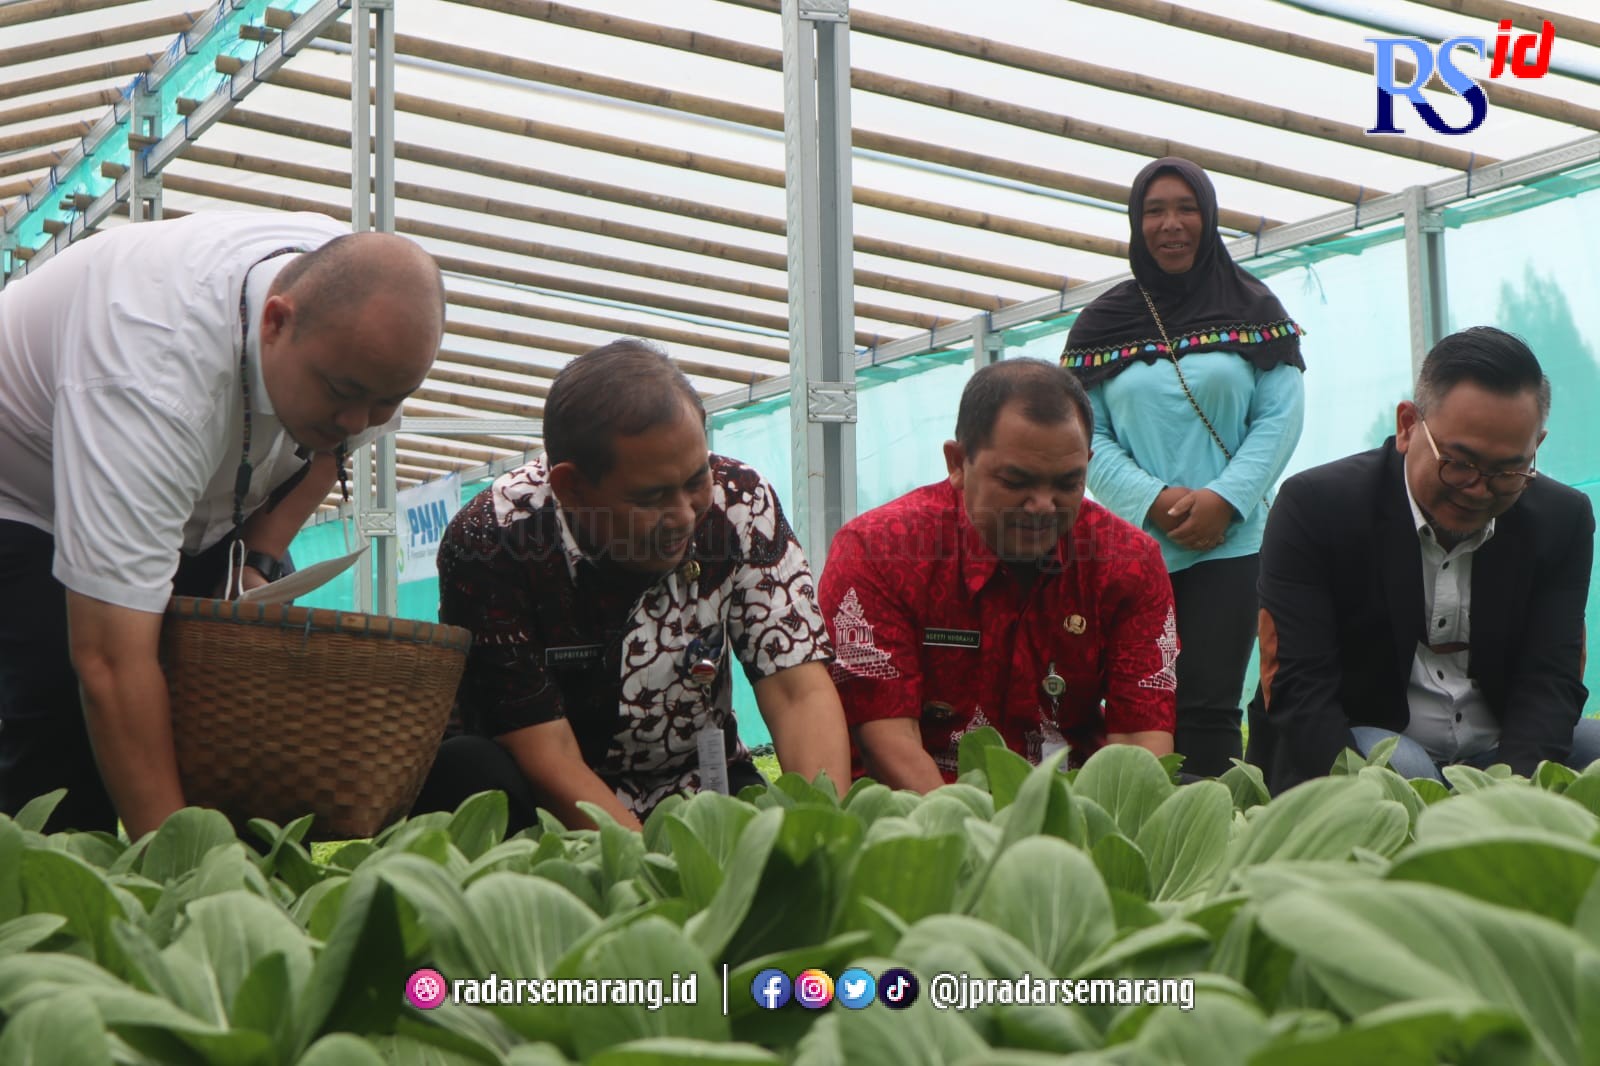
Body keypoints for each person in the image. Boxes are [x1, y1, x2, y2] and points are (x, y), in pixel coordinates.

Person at [0, 211, 445, 837]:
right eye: (342, 393)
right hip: (26, 494)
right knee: (61, 717)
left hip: (205, 497)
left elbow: (330, 450)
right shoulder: (151, 372)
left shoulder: (361, 342)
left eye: (387, 403)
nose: (359, 420)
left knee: (239, 689)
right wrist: (185, 863)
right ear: (276, 322)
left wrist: (258, 559)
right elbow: (107, 659)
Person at [415, 339, 850, 831]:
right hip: (546, 798)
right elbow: (544, 748)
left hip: (702, 781)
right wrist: (653, 864)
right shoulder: (493, 538)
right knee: (469, 769)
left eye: (695, 481)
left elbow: (797, 691)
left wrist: (826, 833)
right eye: (651, 498)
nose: (684, 515)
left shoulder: (740, 500)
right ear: (572, 488)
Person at [1249, 326, 1600, 792]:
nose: (1478, 489)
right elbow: (1299, 689)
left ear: (1536, 447)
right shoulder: (1316, 508)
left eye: (1507, 471)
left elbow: (1551, 678)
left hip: (1498, 747)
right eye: (1459, 463)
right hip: (1362, 741)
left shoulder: (1562, 519)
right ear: (1407, 425)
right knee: (1403, 768)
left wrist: (1508, 795)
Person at [818, 358, 1177, 792]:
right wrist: (973, 829)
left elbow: (1140, 743)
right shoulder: (879, 551)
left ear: (1087, 464)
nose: (1043, 505)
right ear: (957, 462)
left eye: (1067, 484)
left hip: (1068, 805)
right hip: (914, 813)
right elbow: (890, 742)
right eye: (1016, 481)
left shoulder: (1130, 561)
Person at [1061, 156, 1305, 778]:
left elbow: (1279, 417)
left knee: (1208, 704)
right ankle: (1134, 812)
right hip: (1135, 545)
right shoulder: (1101, 323)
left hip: (1233, 542)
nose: (1171, 224)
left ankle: (1212, 822)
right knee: (1132, 700)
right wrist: (1153, 500)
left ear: (1209, 216)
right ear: (1136, 223)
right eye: (1155, 211)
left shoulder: (1255, 308)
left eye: (1186, 208)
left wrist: (1225, 500)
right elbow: (1083, 434)